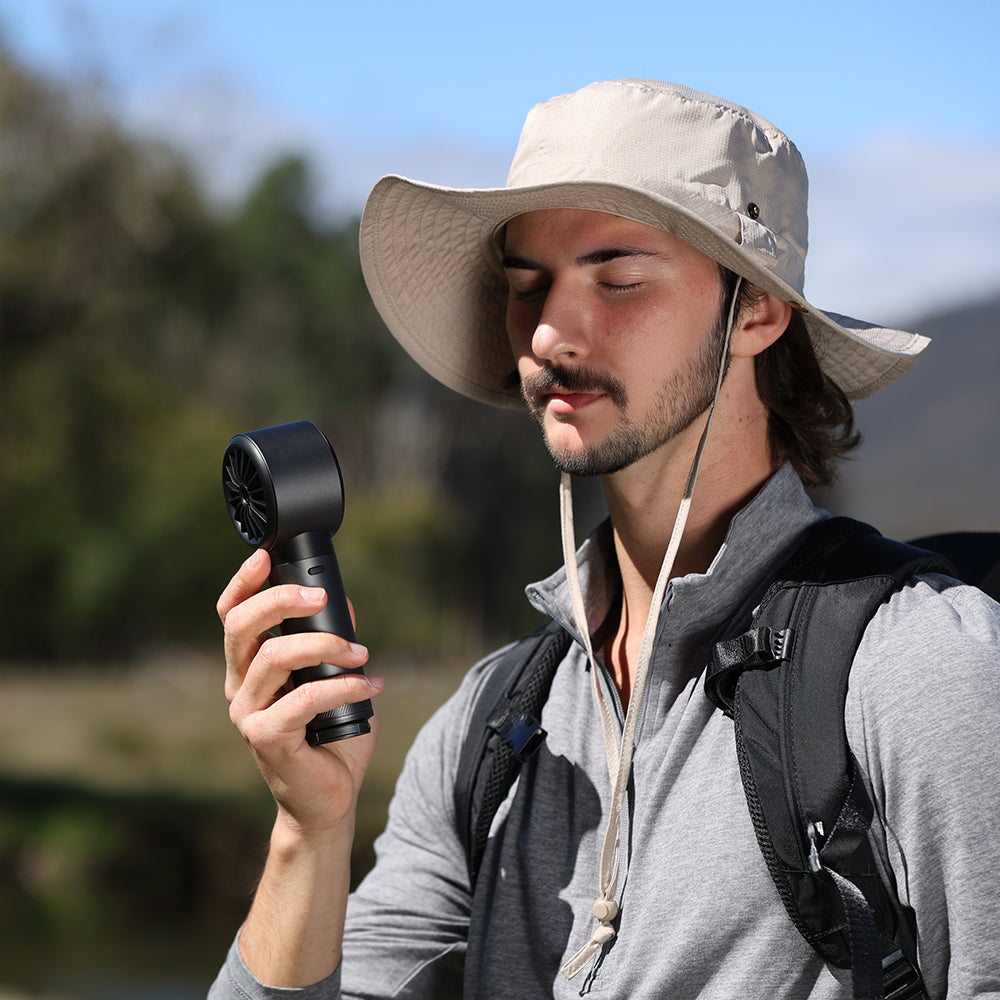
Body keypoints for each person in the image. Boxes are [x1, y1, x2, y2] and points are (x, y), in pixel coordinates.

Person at [209, 79, 1000, 999]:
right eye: (526, 285)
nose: (549, 331)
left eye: (618, 279)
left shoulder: (920, 671)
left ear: (756, 312)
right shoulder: (486, 725)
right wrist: (309, 827)